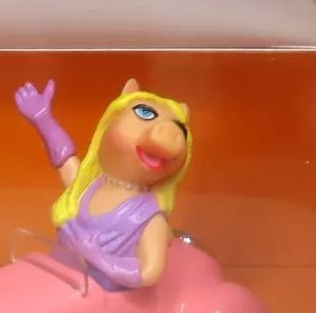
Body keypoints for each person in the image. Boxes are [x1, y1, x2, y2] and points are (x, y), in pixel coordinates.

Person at [14, 78, 192, 290]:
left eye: (180, 129)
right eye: (145, 113)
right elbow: (64, 160)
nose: (168, 134)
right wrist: (44, 120)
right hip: (54, 279)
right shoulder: (89, 186)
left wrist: (99, 257)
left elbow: (149, 272)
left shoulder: (149, 218)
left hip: (92, 301)